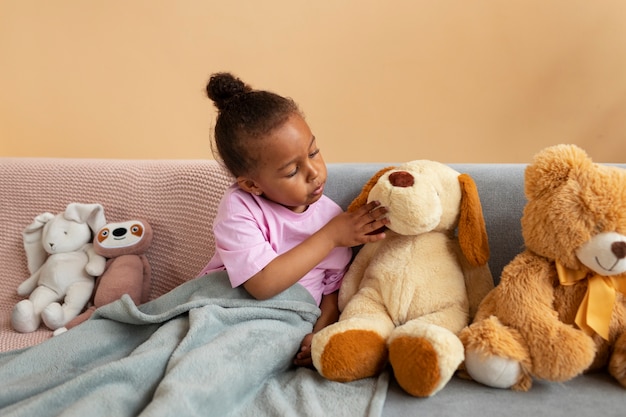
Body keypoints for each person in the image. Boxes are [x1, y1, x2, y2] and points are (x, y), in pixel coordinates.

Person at [199, 72, 389, 367]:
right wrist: (329, 237)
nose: (314, 172)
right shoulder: (240, 207)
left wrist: (321, 331)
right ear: (252, 185)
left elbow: (332, 290)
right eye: (291, 171)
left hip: (291, 321)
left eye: (313, 152)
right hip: (227, 308)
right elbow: (261, 284)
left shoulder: (332, 218)